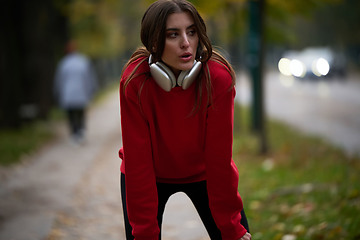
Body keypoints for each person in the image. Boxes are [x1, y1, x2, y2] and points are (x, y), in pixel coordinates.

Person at [118, 0, 251, 239]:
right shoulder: (134, 82)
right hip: (150, 176)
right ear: (155, 42)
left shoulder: (218, 79)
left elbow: (220, 160)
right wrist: (145, 233)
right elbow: (138, 163)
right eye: (173, 34)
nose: (186, 43)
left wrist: (231, 228)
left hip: (204, 174)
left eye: (191, 32)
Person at [54, 40, 97, 143]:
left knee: (71, 114)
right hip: (81, 93)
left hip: (68, 94)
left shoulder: (63, 64)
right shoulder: (83, 61)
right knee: (81, 113)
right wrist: (91, 90)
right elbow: (89, 78)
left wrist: (57, 92)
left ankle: (74, 134)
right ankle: (81, 132)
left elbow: (59, 80)